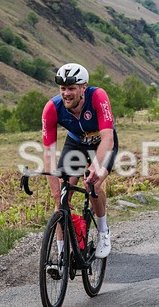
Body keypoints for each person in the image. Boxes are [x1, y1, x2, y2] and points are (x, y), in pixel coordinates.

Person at [42, 63, 117, 265]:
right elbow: (48, 153)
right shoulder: (52, 108)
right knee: (61, 201)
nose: (66, 93)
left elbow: (108, 138)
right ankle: (61, 257)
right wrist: (56, 190)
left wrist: (94, 167)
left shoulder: (98, 96)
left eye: (72, 88)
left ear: (83, 88)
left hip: (101, 143)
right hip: (75, 143)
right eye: (63, 88)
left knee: (92, 184)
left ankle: (103, 232)